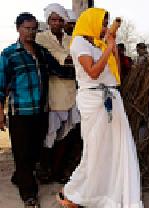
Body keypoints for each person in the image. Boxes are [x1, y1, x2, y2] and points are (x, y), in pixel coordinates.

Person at [56, 8, 143, 207]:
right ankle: (75, 193)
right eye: (103, 23)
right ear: (91, 21)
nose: (105, 27)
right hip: (93, 99)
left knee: (114, 150)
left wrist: (112, 50)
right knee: (95, 150)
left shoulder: (97, 44)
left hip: (112, 97)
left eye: (106, 24)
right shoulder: (78, 42)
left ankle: (109, 194)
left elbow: (116, 77)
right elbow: (93, 73)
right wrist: (107, 49)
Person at [0, 12, 71, 207]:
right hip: (20, 113)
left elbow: (58, 70)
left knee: (34, 151)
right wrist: (0, 112)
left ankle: (20, 177)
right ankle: (29, 195)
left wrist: (85, 72)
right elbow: (0, 86)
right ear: (18, 29)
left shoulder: (41, 52)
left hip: (40, 111)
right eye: (27, 28)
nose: (31, 32)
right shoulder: (9, 54)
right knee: (22, 153)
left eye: (34, 29)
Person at [35, 3, 81, 183]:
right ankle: (45, 170)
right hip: (52, 94)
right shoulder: (41, 38)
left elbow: (77, 59)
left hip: (71, 94)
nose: (57, 23)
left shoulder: (71, 39)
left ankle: (58, 170)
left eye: (60, 19)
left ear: (64, 21)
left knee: (67, 134)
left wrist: (67, 61)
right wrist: (67, 60)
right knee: (49, 135)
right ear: (48, 21)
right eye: (53, 19)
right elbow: (51, 58)